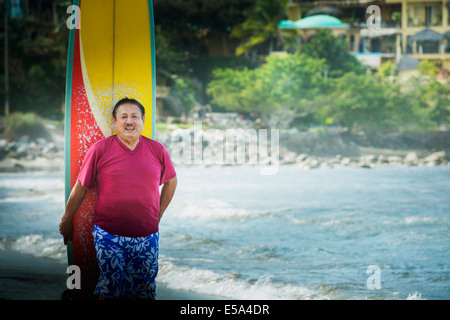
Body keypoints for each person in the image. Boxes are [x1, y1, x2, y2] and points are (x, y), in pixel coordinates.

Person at [59, 97, 177, 299]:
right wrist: (66, 219)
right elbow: (81, 187)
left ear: (143, 120)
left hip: (147, 235)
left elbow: (171, 182)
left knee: (144, 289)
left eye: (134, 116)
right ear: (115, 122)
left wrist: (158, 214)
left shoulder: (158, 150)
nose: (129, 121)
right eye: (123, 117)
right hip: (109, 234)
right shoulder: (100, 149)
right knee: (110, 285)